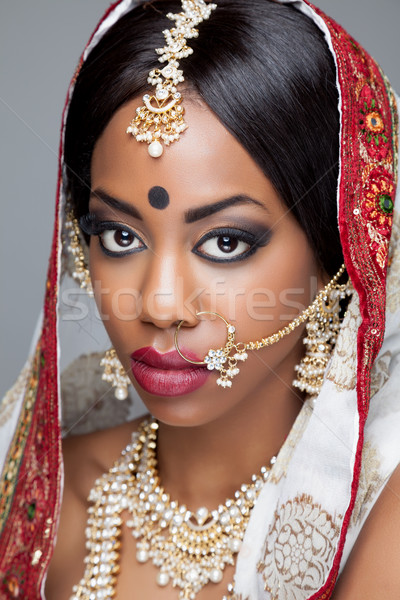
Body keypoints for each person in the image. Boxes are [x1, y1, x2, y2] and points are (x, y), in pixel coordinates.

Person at [0, 0, 399, 598]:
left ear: (338, 257)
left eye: (226, 241)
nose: (160, 307)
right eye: (119, 236)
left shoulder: (376, 526)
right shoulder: (40, 494)